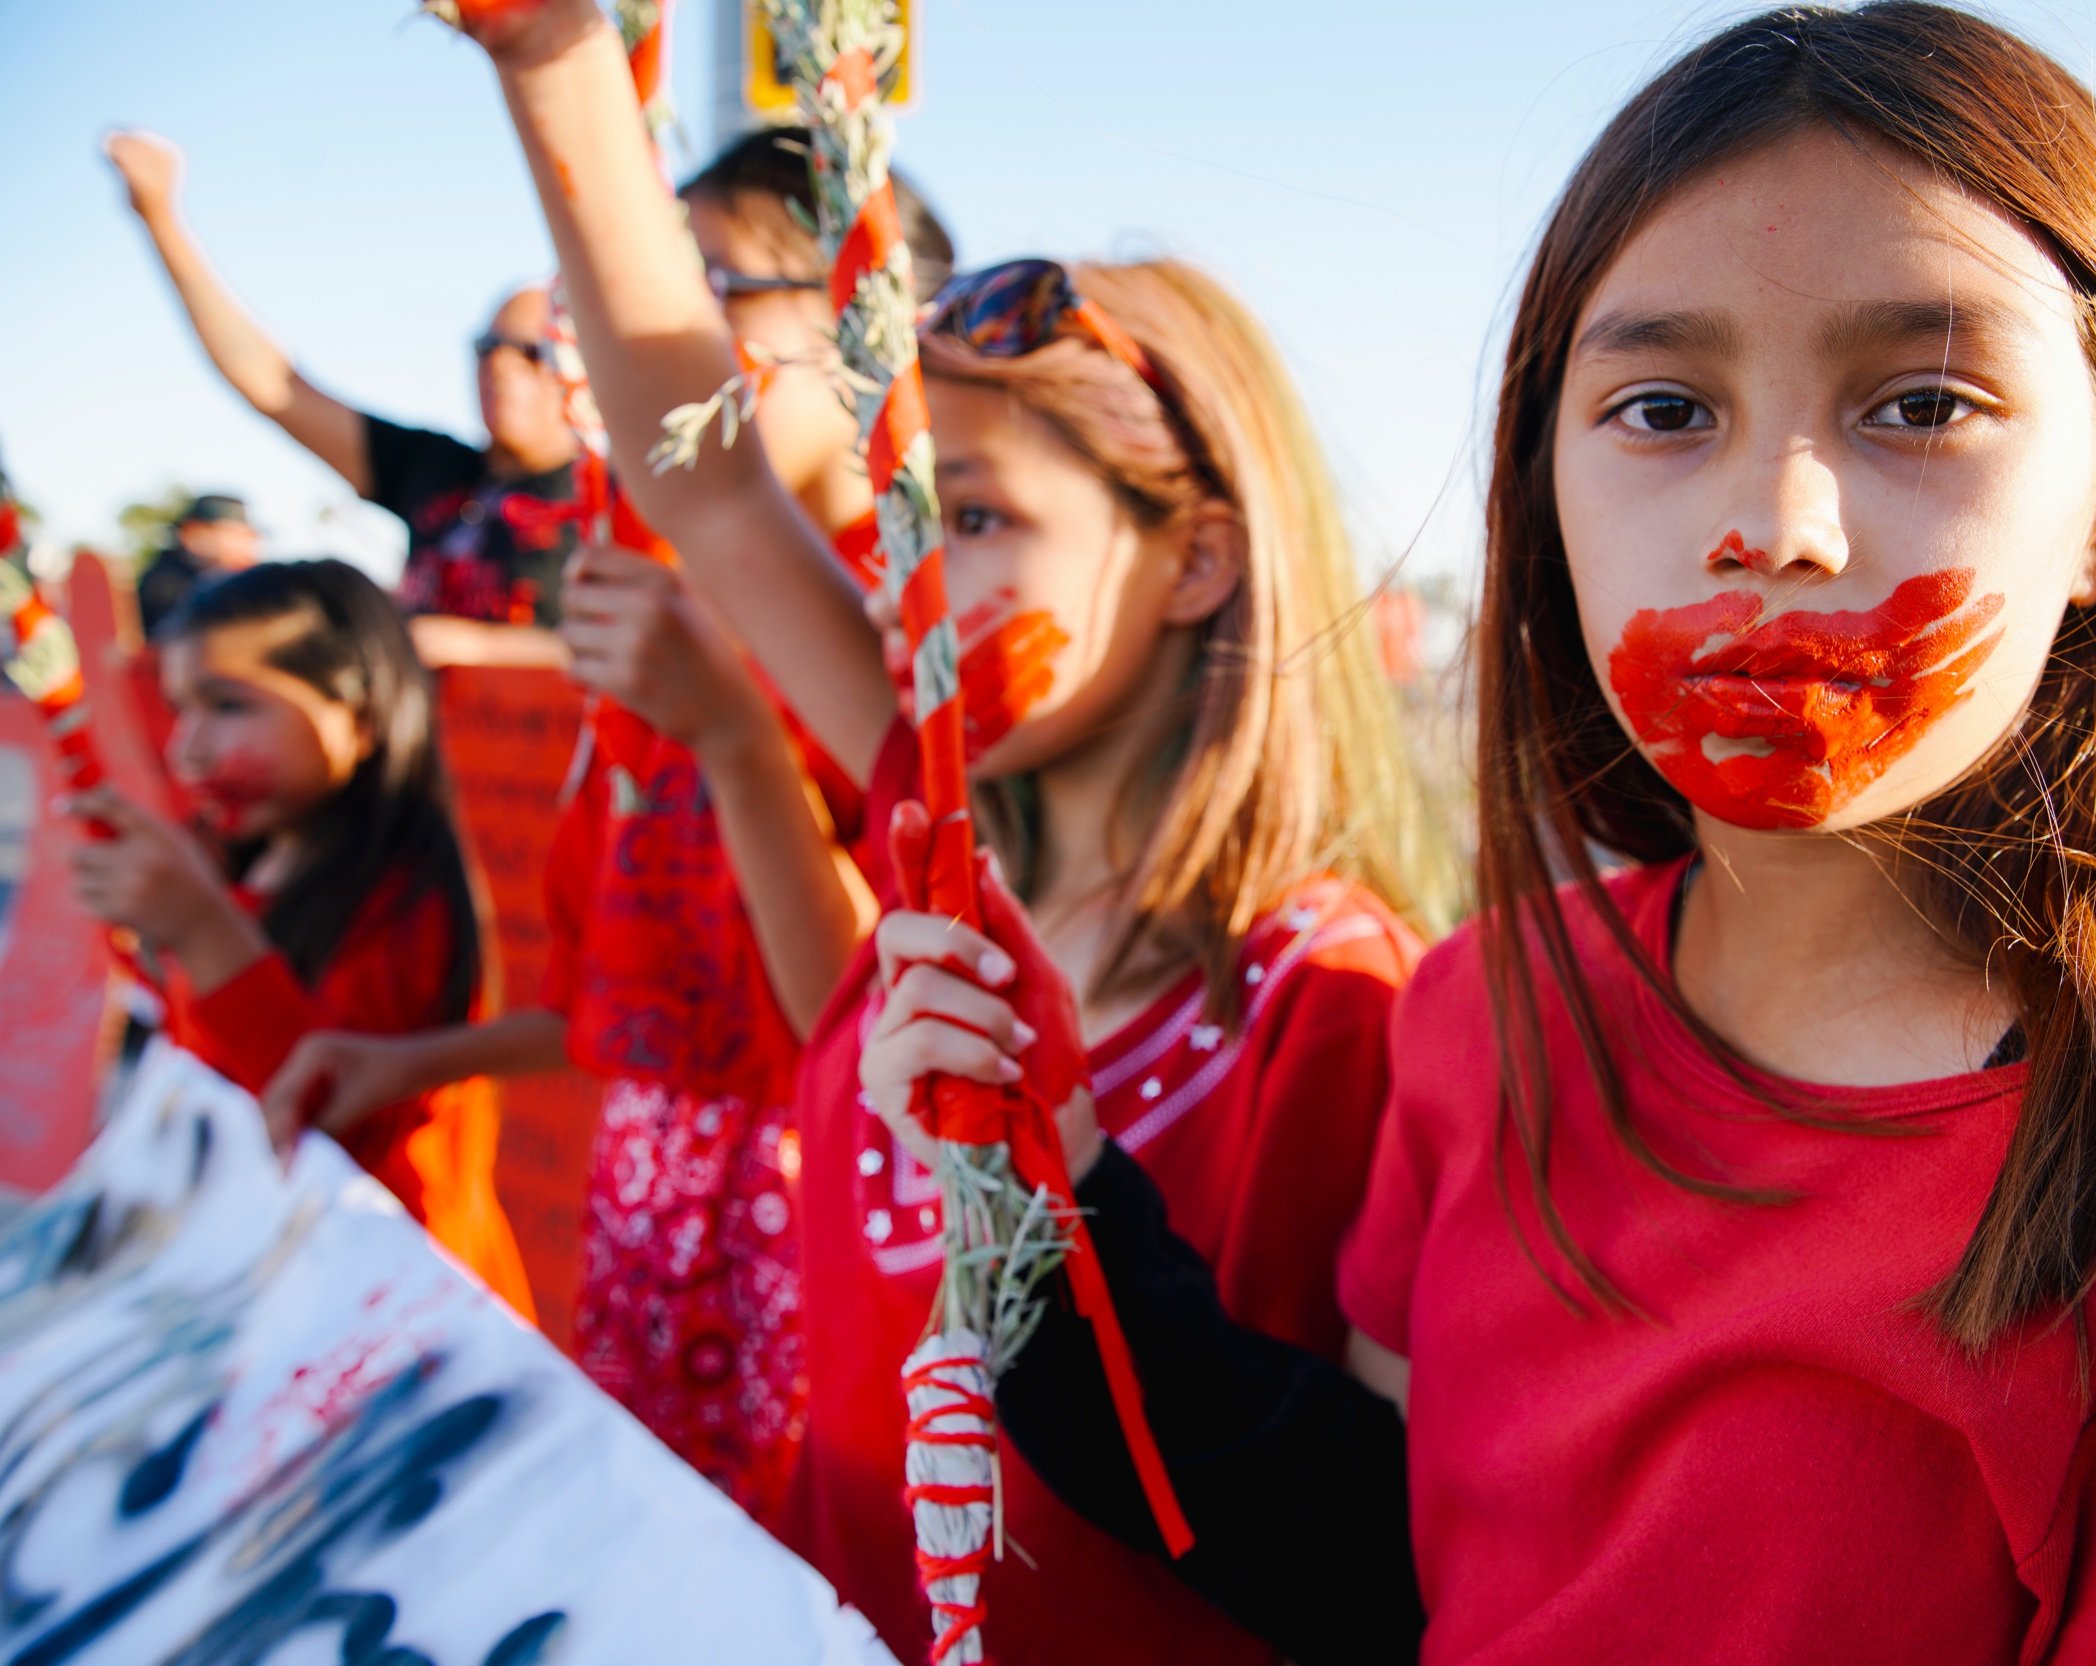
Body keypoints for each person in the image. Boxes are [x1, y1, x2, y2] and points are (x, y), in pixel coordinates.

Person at [870, 7, 2096, 1664]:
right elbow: (1386, 1569)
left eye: (1923, 403)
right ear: (1544, 489)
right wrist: (1045, 1176)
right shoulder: (1481, 1008)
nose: (1774, 523)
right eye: (1661, 409)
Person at [448, 8, 1459, 1659]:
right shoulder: (931, 844)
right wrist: (550, 65)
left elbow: (1355, 1536)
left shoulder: (1328, 998)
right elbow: (705, 479)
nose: (899, 571)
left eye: (976, 519)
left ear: (1197, 559)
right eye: (907, 513)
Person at [258, 125, 949, 1528]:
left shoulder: (922, 642)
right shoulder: (652, 634)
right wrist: (408, 1057)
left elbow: (865, 1033)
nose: (659, 341)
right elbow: (616, 1015)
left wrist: (736, 739)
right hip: (647, 1258)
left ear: (879, 322)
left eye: (715, 285)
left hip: (813, 1251)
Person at [65, 560, 532, 1316]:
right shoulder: (243, 867)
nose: (189, 748)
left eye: (228, 705)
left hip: (389, 1301)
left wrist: (202, 928)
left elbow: (313, 1116)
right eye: (181, 708)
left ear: (363, 715)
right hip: (265, 1283)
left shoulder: (405, 898)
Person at [104, 131, 579, 656]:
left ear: (582, 371)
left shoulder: (610, 500)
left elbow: (658, 656)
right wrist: (160, 217)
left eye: (533, 352)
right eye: (486, 348)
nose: (502, 367)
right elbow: (274, 386)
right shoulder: (436, 468)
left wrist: (483, 649)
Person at [137, 491, 261, 637]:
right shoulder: (167, 583)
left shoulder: (225, 578)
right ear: (193, 533)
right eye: (237, 535)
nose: (248, 545)